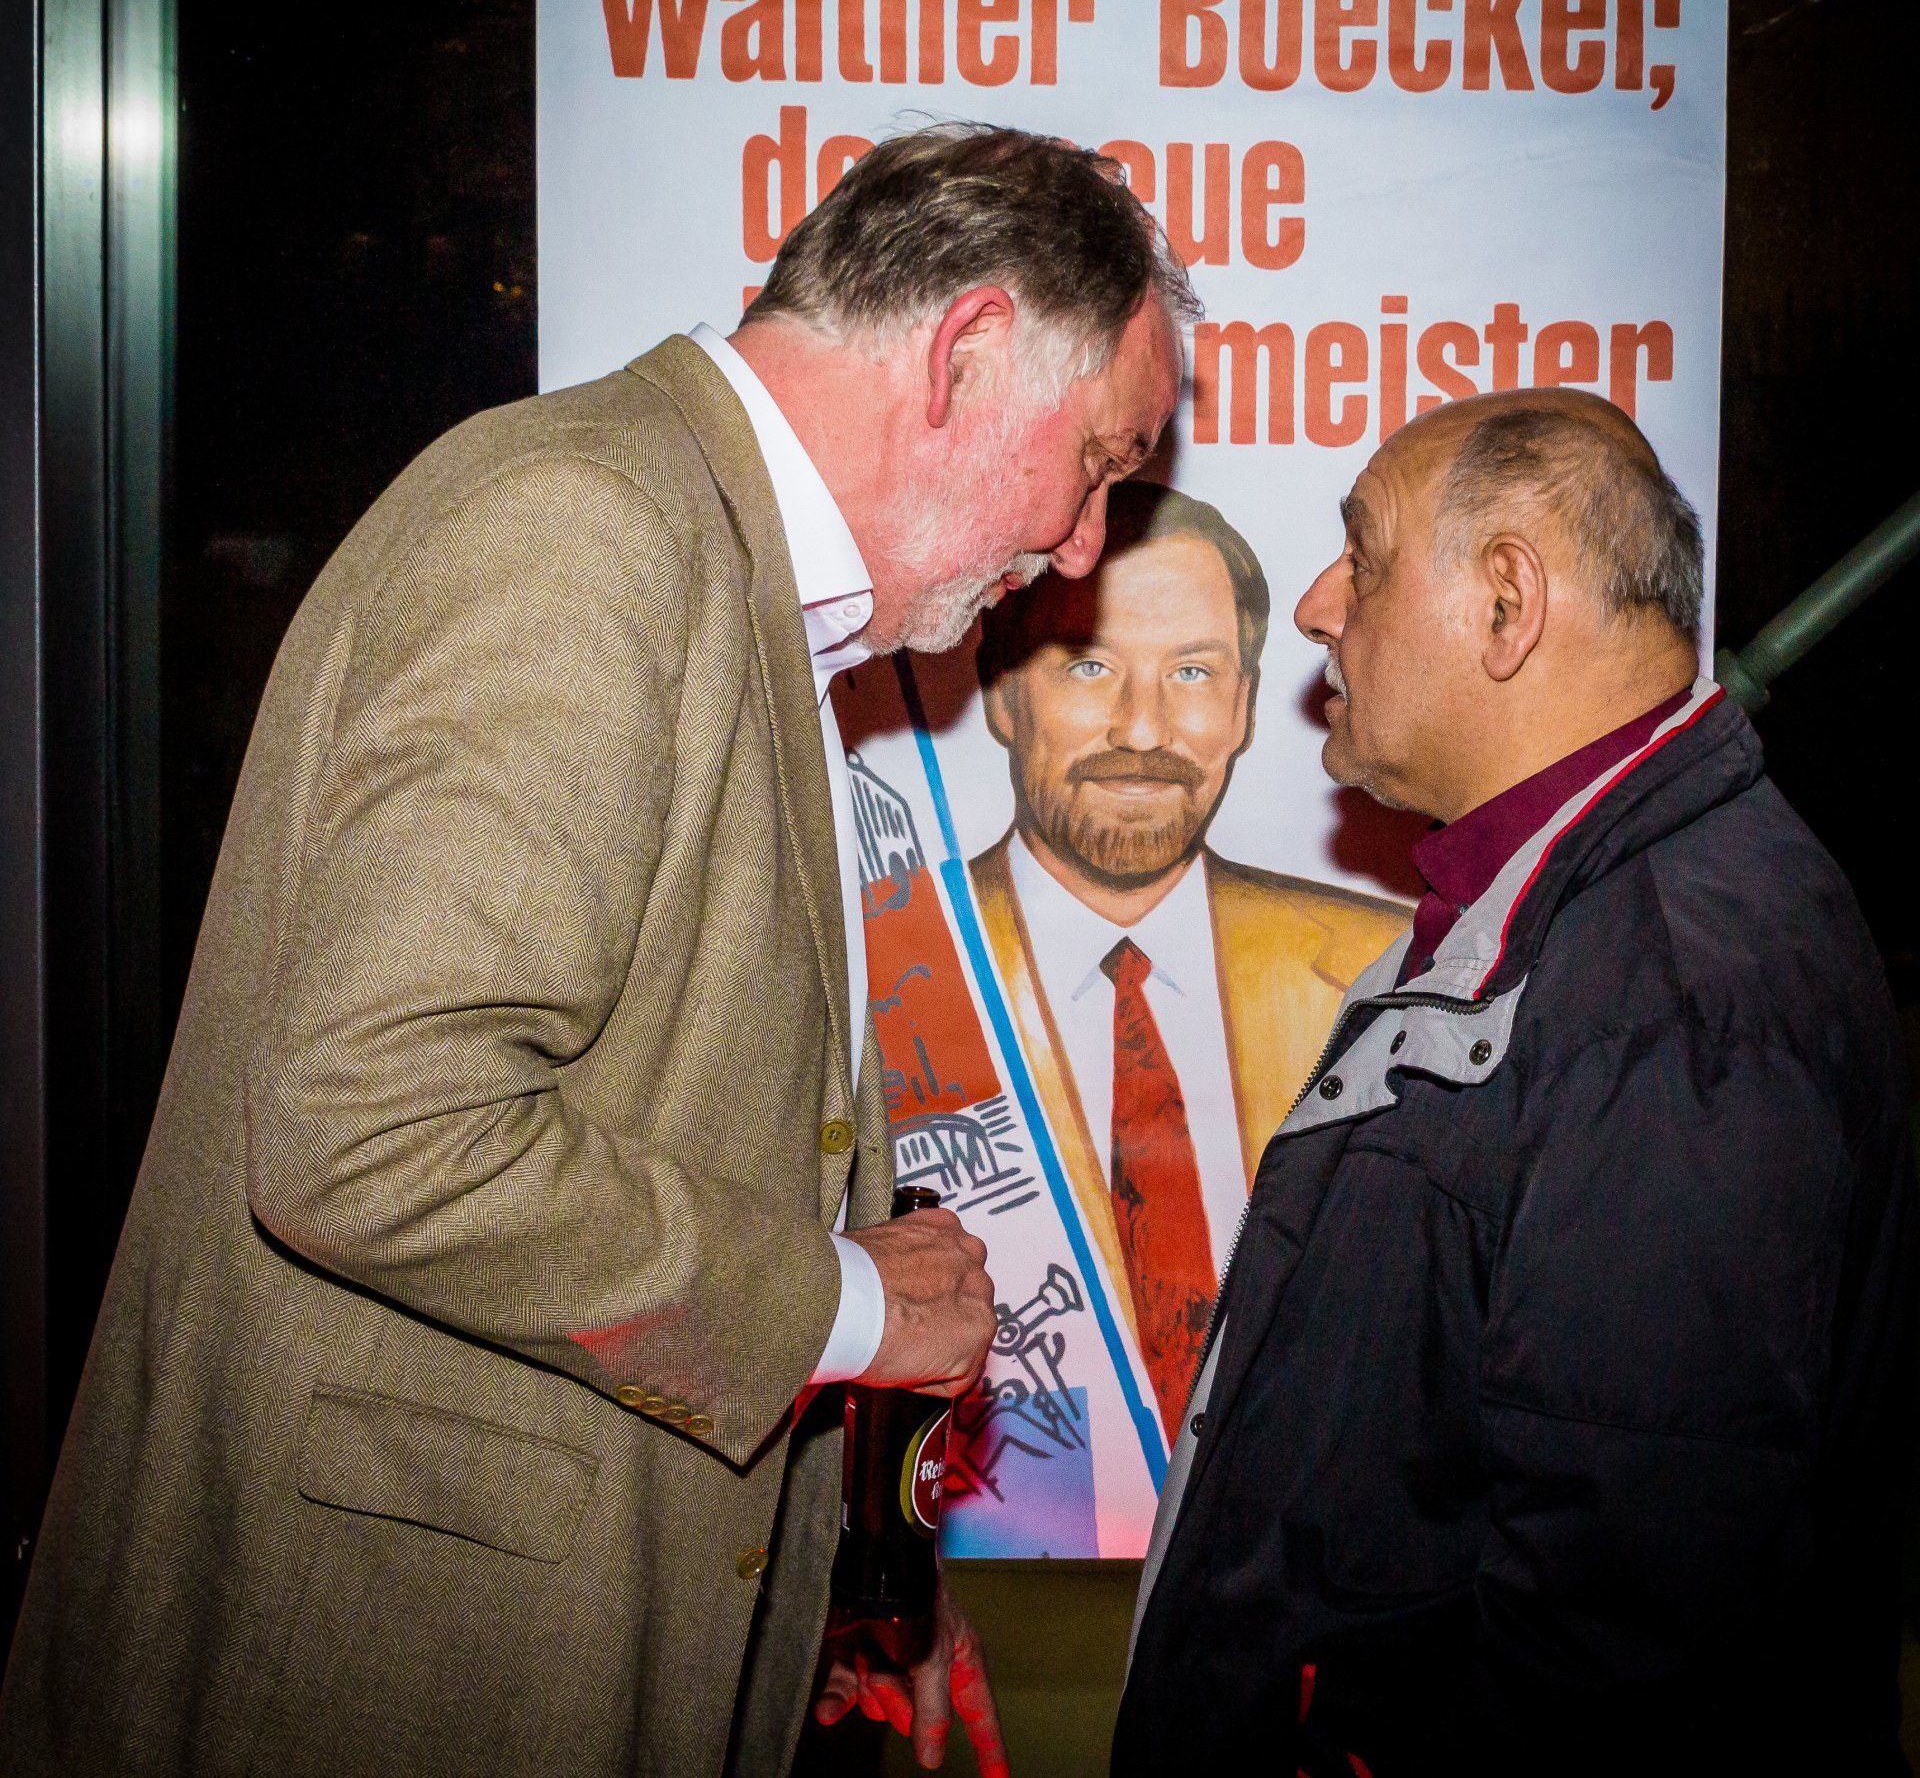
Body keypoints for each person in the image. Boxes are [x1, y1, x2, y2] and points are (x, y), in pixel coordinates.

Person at [0, 123, 1191, 1778]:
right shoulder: (589, 529)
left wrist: (833, 1568)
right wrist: (850, 1304)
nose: (1082, 546)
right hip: (384, 1674)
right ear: (968, 354)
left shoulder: (715, 574)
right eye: (1102, 462)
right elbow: (371, 1127)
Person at [1117, 389, 1915, 1775]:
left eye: (1363, 558)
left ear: (1505, 604)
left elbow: (1618, 1656)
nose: (1315, 606)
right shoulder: (1574, 923)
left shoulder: (1676, 1000)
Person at [968, 483, 1406, 1436]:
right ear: (1002, 696)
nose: (1142, 729)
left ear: (1244, 705)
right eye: (1089, 666)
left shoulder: (1394, 971)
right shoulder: (894, 965)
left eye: (1194, 672)